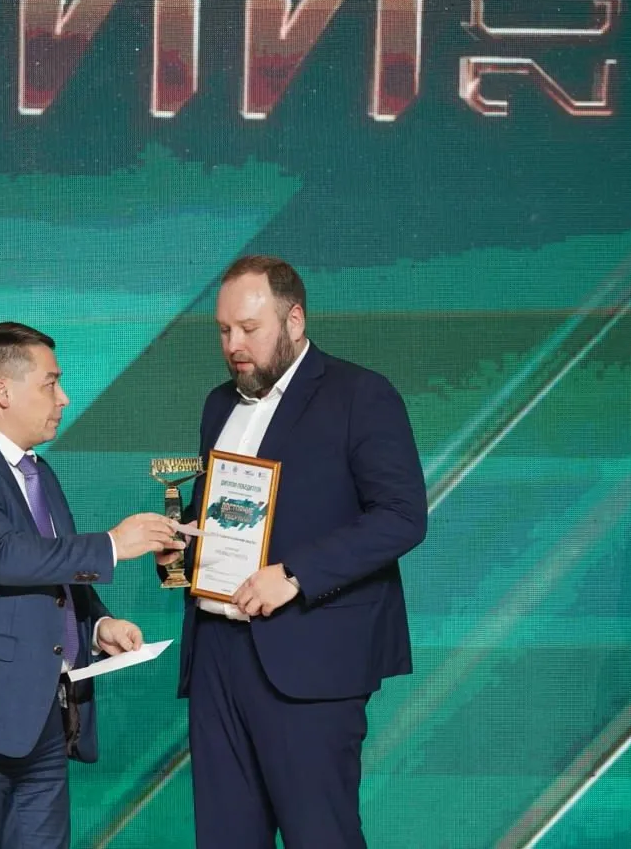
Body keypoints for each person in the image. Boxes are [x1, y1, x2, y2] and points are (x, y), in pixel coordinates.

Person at [157, 256, 428, 848]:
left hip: (309, 656)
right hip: (216, 656)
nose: (233, 344)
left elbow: (402, 517)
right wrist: (180, 554)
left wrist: (296, 574)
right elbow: (223, 516)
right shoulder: (217, 404)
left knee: (320, 837)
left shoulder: (360, 394)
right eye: (224, 330)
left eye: (249, 329)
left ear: (295, 320)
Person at [0, 321, 183, 848]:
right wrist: (114, 544)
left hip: (45, 724)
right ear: (2, 391)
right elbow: (4, 556)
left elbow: (51, 570)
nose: (64, 397)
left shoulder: (38, 473)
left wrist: (96, 625)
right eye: (51, 383)